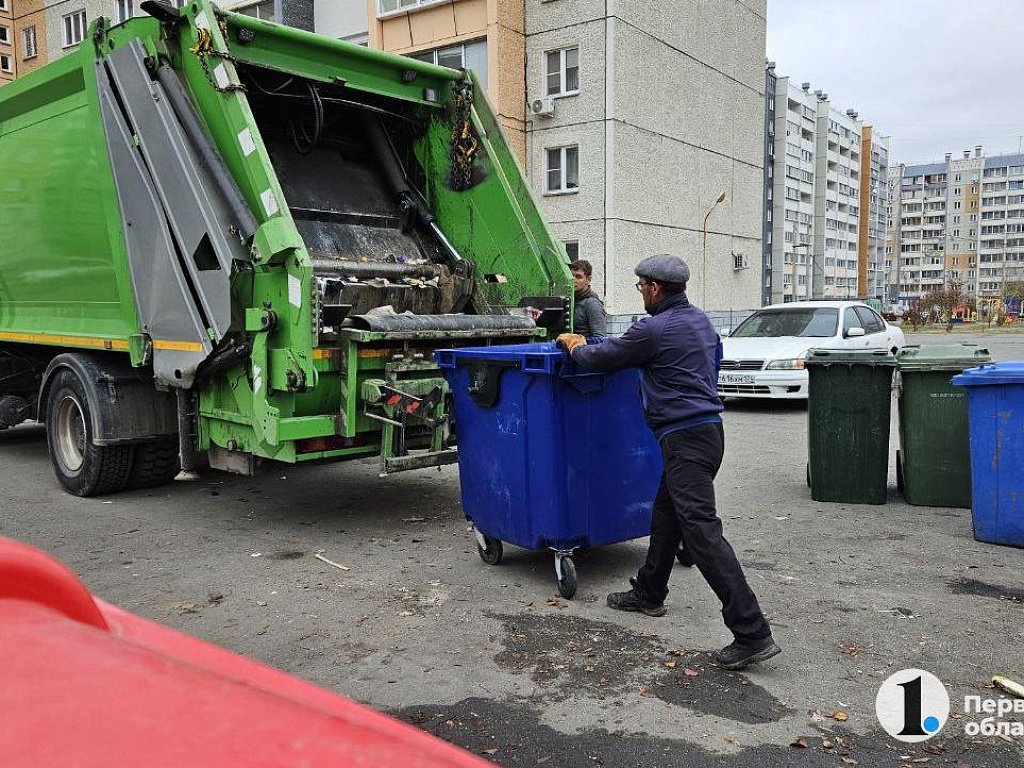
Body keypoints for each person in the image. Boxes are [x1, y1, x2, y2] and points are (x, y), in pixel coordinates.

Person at [556, 254, 780, 671]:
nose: (640, 293)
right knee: (666, 514)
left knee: (702, 534)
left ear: (655, 288)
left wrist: (574, 345)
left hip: (684, 440)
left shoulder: (653, 329)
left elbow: (600, 359)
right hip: (709, 435)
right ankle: (649, 591)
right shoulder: (701, 323)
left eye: (641, 286)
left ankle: (751, 632)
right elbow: (710, 365)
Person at [569, 259, 607, 338]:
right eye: (571, 276)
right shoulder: (570, 300)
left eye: (578, 277)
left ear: (588, 279)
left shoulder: (592, 305)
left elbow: (600, 339)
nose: (574, 280)